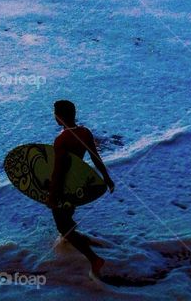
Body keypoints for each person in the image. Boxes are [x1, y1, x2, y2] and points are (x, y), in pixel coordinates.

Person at [48, 99, 115, 277]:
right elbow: (95, 157)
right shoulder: (85, 132)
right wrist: (106, 178)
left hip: (64, 187)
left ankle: (94, 259)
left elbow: (58, 171)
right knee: (67, 219)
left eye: (55, 113)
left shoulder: (61, 140)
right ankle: (77, 240)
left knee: (63, 227)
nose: (54, 116)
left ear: (59, 116)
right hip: (78, 184)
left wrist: (53, 195)